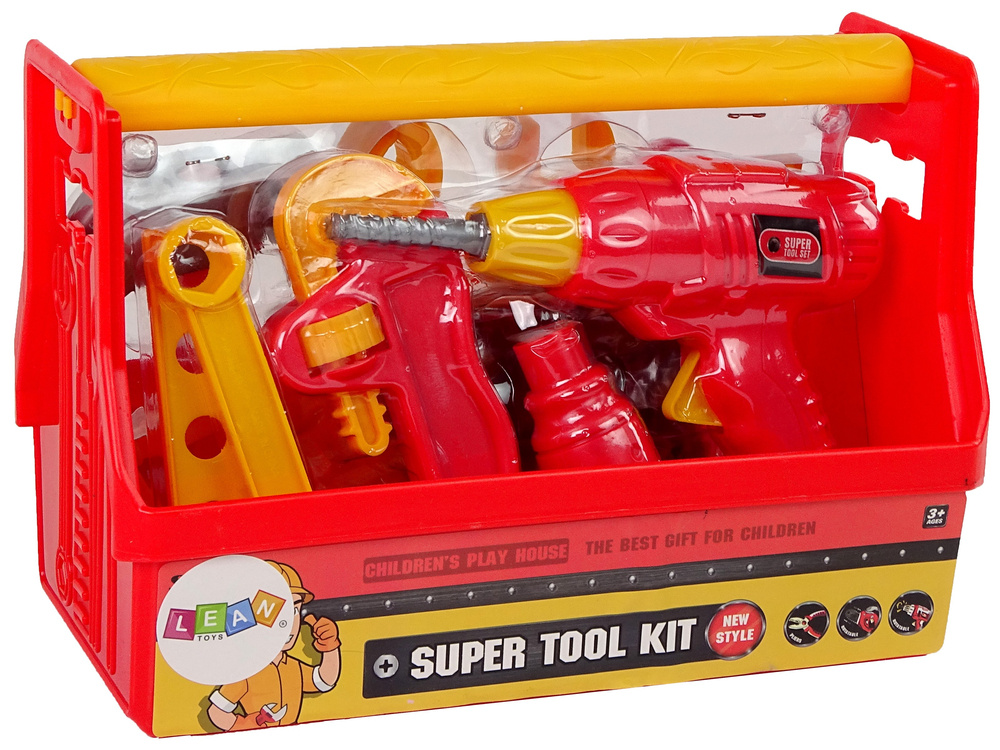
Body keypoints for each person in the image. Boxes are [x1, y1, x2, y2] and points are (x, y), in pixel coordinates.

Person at [206, 561, 341, 731]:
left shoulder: (292, 666)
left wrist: (330, 646)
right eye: (274, 611)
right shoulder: (248, 671)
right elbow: (216, 712)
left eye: (294, 610)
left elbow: (324, 681)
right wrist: (248, 725)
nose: (288, 622)